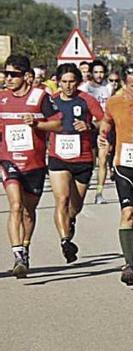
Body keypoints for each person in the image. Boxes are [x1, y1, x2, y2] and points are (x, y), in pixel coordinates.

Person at [0, 55, 62, 277]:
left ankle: (25, 247)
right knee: (15, 205)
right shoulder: (1, 98)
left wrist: (37, 123)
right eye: (5, 74)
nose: (8, 78)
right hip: (8, 159)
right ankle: (17, 254)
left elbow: (58, 122)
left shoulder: (40, 97)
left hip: (34, 162)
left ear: (26, 76)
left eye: (13, 75)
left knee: (28, 211)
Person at [99, 63, 133, 285]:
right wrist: (103, 133)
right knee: (127, 213)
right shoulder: (114, 102)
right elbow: (106, 120)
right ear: (124, 84)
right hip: (124, 166)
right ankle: (129, 263)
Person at [47, 63, 104, 263]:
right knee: (61, 199)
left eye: (72, 82)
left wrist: (89, 126)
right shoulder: (51, 101)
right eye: (64, 82)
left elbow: (103, 121)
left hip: (83, 159)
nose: (68, 86)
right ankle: (65, 241)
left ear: (78, 82)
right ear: (58, 82)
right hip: (58, 157)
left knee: (75, 206)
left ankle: (70, 220)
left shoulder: (87, 100)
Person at [80, 60, 115, 205]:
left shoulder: (109, 87)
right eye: (96, 72)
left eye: (101, 72)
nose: (99, 75)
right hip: (89, 128)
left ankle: (99, 193)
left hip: (104, 127)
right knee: (91, 162)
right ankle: (83, 186)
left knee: (103, 161)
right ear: (91, 73)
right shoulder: (84, 88)